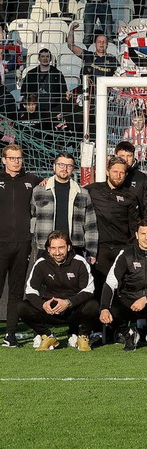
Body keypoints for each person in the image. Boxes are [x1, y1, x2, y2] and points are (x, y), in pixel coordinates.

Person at [99, 220, 147, 351]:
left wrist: (146, 299)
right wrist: (104, 308)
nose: (146, 238)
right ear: (137, 235)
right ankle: (129, 334)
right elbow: (110, 282)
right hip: (129, 300)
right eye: (143, 233)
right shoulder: (125, 254)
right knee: (111, 308)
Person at [20, 231, 98, 352]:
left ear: (68, 247)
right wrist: (42, 305)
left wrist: (69, 302)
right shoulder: (41, 263)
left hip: (73, 310)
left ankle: (83, 337)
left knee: (93, 305)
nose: (57, 252)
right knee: (22, 307)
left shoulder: (79, 262)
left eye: (61, 247)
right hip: (50, 310)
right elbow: (30, 290)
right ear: (48, 249)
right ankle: (47, 336)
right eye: (53, 248)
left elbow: (89, 289)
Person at [0, 143, 43, 346]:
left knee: (17, 290)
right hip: (0, 243)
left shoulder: (32, 180)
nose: (16, 162)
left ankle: (10, 334)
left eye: (19, 158)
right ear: (4, 159)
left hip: (23, 243)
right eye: (12, 158)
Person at [31, 153, 98, 262]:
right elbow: (30, 214)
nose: (65, 169)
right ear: (54, 166)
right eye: (61, 165)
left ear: (72, 169)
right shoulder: (39, 191)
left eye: (69, 166)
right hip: (46, 247)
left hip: (74, 247)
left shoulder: (82, 194)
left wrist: (91, 252)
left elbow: (91, 226)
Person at [86, 157, 144, 276]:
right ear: (108, 171)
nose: (118, 175)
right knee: (99, 288)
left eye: (122, 172)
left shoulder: (130, 197)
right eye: (115, 171)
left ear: (126, 174)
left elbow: (134, 226)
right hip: (99, 249)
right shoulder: (92, 190)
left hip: (121, 247)